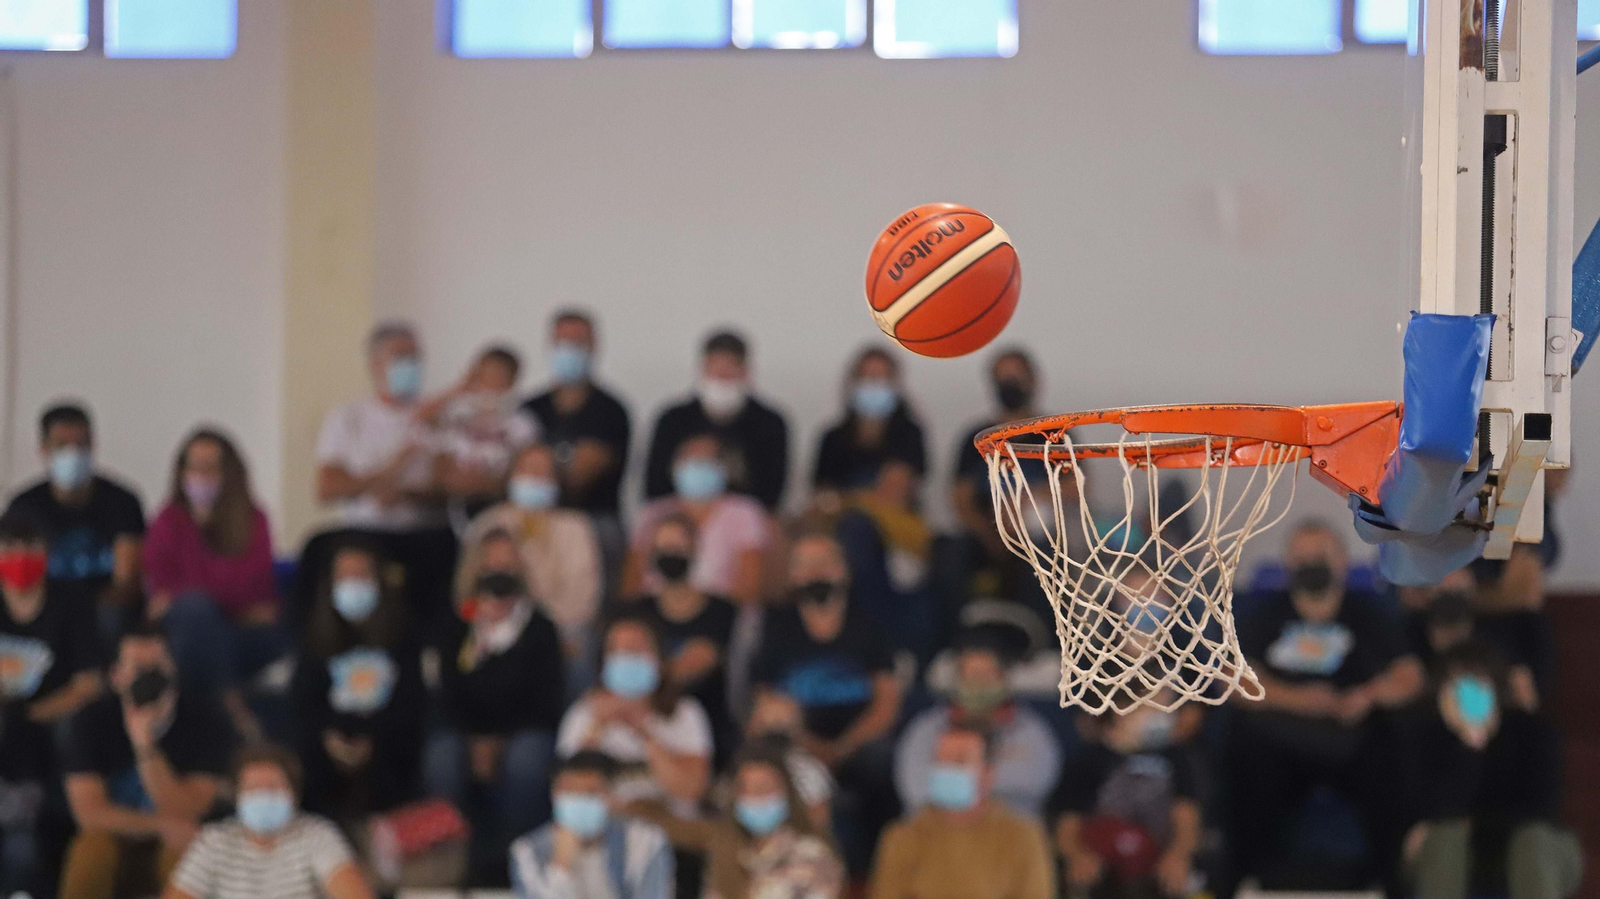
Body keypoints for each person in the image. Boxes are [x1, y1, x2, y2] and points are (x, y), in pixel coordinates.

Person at [1229, 521, 1423, 898]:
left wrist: (1367, 696)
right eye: (1302, 557)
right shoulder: (1264, 614)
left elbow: (1410, 677)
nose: (1311, 564)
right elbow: (1234, 680)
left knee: (1393, 752)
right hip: (1279, 741)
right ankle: (1244, 880)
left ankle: (1391, 883)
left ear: (1343, 562)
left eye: (1321, 556)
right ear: (1288, 563)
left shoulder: (1369, 614)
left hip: (1354, 739)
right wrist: (1302, 700)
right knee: (1244, 751)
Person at [751, 532, 902, 876]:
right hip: (798, 742)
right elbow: (765, 705)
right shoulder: (776, 627)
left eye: (825, 562)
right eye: (805, 564)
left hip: (859, 744)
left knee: (881, 760)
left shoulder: (870, 624)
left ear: (844, 570)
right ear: (792, 576)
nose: (815, 572)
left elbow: (887, 703)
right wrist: (809, 745)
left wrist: (841, 748)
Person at [428, 527, 566, 880]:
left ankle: (517, 862)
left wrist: (498, 742)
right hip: (465, 733)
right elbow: (446, 695)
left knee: (527, 759)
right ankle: (451, 865)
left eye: (509, 564)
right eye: (492, 564)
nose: (500, 573)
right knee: (441, 757)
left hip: (523, 732)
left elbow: (546, 700)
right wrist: (475, 739)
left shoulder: (540, 628)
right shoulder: (456, 625)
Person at [59, 623, 234, 899]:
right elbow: (89, 814)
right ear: (116, 676)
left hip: (175, 845)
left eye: (157, 669)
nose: (150, 679)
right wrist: (159, 825)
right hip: (119, 841)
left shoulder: (205, 718)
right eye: (139, 670)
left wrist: (145, 746)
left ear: (173, 670)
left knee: (186, 848)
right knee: (92, 849)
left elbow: (189, 812)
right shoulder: (91, 720)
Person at [1406, 641, 1582, 899]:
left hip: (1531, 847)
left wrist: (1475, 825)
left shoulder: (1534, 731)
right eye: (1456, 687)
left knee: (1532, 840)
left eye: (1477, 684)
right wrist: (1471, 744)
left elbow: (1542, 808)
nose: (1467, 696)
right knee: (1445, 835)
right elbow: (1434, 811)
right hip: (1457, 853)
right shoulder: (1426, 737)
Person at [144, 429, 287, 742]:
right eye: (194, 466)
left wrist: (198, 597)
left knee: (198, 614)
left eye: (211, 467)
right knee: (195, 615)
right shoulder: (167, 521)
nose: (201, 475)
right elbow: (160, 593)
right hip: (190, 632)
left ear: (229, 473)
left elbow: (252, 588)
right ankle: (232, 706)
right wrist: (214, 600)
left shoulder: (254, 519)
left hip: (244, 636)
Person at [313, 322, 455, 626]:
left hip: (425, 533)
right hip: (366, 532)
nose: (411, 365)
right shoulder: (347, 419)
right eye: (401, 357)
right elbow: (327, 488)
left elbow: (450, 489)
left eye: (415, 357)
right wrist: (389, 471)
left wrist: (406, 495)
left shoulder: (437, 417)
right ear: (375, 364)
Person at [0, 515, 104, 897]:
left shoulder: (71, 601)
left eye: (30, 548)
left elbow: (89, 683)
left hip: (54, 719)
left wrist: (30, 715)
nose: (20, 558)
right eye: (10, 548)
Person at [292, 539, 426, 827]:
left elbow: (411, 703)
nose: (353, 584)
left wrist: (370, 738)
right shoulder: (313, 636)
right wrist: (333, 739)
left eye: (361, 574)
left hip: (387, 745)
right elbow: (304, 702)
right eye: (345, 576)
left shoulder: (404, 635)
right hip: (329, 746)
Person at [462, 443, 604, 692]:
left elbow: (583, 598)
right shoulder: (487, 523)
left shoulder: (575, 527)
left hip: (561, 630)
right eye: (527, 469)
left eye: (543, 472)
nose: (535, 477)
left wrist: (542, 633)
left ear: (556, 481)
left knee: (578, 652)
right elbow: (466, 588)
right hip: (492, 624)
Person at [3, 403, 145, 643]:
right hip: (44, 609)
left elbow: (126, 581)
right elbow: (16, 577)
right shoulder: (24, 506)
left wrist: (80, 608)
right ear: (44, 449)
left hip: (102, 609)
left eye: (81, 444)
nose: (73, 453)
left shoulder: (122, 502)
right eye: (61, 445)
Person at [629, 745, 845, 899]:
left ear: (787, 795)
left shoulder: (814, 856)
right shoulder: (728, 847)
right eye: (745, 789)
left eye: (764, 788)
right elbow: (680, 829)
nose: (755, 797)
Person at [162, 742, 374, 899]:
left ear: (293, 795)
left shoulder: (317, 835)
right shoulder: (214, 841)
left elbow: (354, 893)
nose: (263, 795)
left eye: (272, 787)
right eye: (253, 789)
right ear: (237, 798)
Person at [869, 727, 1055, 899]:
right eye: (941, 761)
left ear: (987, 773)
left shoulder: (1023, 836)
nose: (947, 769)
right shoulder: (902, 836)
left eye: (959, 760)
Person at [556, 616, 713, 817]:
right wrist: (596, 728)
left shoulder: (686, 713)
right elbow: (570, 793)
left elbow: (691, 790)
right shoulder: (583, 713)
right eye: (617, 651)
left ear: (659, 660)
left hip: (671, 827)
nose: (627, 657)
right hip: (609, 826)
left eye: (636, 649)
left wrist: (643, 733)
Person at [1051, 699, 1207, 899]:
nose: (1161, 713)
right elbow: (1068, 822)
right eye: (1152, 705)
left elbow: (1187, 817)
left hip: (1155, 867)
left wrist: (1179, 855)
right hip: (1104, 868)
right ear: (1123, 708)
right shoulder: (1088, 759)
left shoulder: (1175, 756)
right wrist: (1076, 855)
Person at [895, 638, 1060, 819]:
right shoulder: (927, 728)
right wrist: (973, 792)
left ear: (1003, 678)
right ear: (957, 680)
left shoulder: (1030, 729)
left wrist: (970, 789)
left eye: (985, 674)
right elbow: (914, 788)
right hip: (936, 824)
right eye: (971, 675)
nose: (978, 682)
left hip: (1012, 825)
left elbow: (1035, 784)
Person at [643, 330, 790, 511]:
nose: (721, 380)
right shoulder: (672, 419)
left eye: (729, 371)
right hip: (678, 516)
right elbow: (654, 488)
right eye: (715, 370)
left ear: (745, 372)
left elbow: (771, 494)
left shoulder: (770, 423)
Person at [636, 515, 739, 760]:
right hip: (647, 721)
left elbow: (697, 664)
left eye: (678, 547)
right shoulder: (637, 611)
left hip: (710, 725)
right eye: (663, 548)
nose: (670, 555)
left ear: (695, 550)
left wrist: (651, 669)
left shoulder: (722, 610)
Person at [624, 433, 771, 605]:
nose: (697, 467)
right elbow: (632, 582)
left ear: (726, 467)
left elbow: (750, 585)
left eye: (705, 461)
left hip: (721, 613)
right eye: (690, 460)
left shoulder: (744, 512)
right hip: (656, 612)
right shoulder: (652, 513)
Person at [509, 750, 674, 899]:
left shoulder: (646, 842)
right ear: (554, 793)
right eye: (570, 791)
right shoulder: (526, 851)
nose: (579, 800)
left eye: (591, 792)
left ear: (612, 796)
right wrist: (561, 868)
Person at [521, 310, 633, 519]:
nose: (569, 350)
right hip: (530, 516)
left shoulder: (611, 410)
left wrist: (537, 466)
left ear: (594, 346)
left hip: (593, 519)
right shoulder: (529, 408)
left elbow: (579, 477)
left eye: (577, 343)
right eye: (563, 342)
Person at [420, 344, 541, 528]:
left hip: (495, 508)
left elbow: (524, 472)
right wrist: (460, 389)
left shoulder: (522, 424)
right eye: (485, 375)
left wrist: (486, 484)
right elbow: (421, 420)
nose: (490, 383)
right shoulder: (456, 412)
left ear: (512, 381)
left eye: (498, 377)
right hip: (447, 508)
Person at [838, 458, 938, 662]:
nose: (894, 489)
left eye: (901, 484)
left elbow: (918, 547)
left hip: (905, 597)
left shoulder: (916, 523)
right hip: (867, 588)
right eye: (890, 482)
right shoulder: (858, 514)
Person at [950, 349, 1042, 563]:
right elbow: (961, 498)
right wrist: (992, 536)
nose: (1009, 385)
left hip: (1041, 534)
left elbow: (1077, 486)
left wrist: (1025, 500)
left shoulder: (1055, 434)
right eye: (1003, 379)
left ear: (1032, 381)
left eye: (1015, 378)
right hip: (986, 534)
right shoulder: (977, 438)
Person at [812, 346, 927, 495]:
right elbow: (822, 489)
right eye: (867, 376)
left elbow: (902, 485)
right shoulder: (832, 437)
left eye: (880, 377)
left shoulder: (910, 435)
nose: (873, 383)